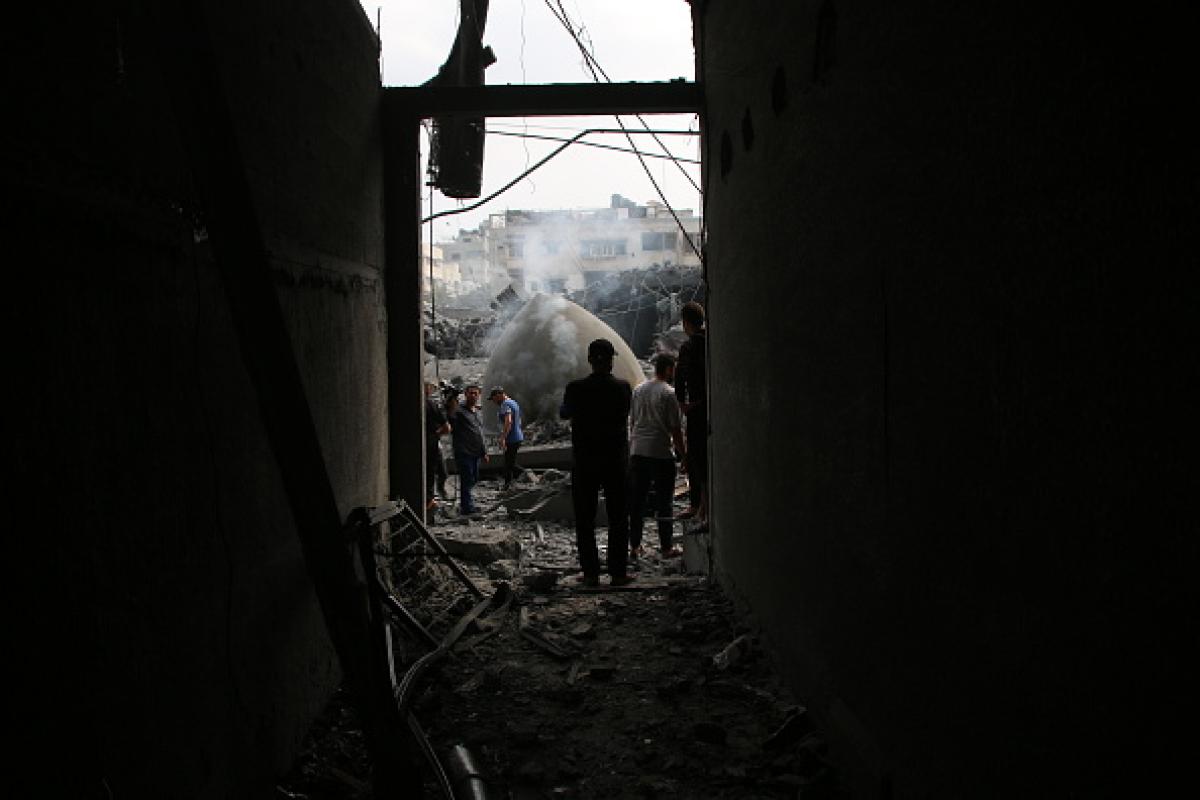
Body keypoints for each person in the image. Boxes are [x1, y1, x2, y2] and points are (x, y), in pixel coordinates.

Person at [560, 338, 634, 587]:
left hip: (585, 461)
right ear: (611, 361)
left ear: (590, 359)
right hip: (615, 461)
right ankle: (618, 572)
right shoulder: (622, 388)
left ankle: (591, 573)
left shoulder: (575, 388)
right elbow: (625, 413)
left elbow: (564, 413)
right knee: (618, 517)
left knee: (585, 518)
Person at [628, 353, 687, 558]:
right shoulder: (669, 394)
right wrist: (684, 456)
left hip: (638, 451)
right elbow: (676, 430)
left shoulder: (638, 390)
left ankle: (635, 546)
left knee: (637, 501)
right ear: (669, 369)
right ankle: (666, 547)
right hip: (660, 453)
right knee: (664, 502)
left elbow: (633, 423)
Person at [675, 301, 708, 529]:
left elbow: (681, 378)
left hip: (697, 410)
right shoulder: (711, 342)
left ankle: (701, 509)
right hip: (711, 406)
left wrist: (683, 404)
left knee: (697, 459)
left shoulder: (689, 346)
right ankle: (701, 507)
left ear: (686, 323)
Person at [446, 384, 488, 516]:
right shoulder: (459, 411)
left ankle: (468, 504)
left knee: (473, 478)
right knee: (467, 479)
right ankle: (467, 508)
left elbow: (480, 433)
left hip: (476, 453)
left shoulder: (476, 412)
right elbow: (450, 416)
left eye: (476, 393)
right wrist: (451, 399)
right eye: (471, 393)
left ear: (479, 395)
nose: (473, 396)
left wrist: (484, 452)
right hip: (464, 452)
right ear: (466, 394)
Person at [488, 386, 524, 491]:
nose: (494, 402)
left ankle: (524, 476)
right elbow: (519, 420)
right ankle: (509, 484)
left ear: (498, 395)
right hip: (517, 436)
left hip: (512, 438)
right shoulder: (513, 402)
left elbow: (508, 421)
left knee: (509, 464)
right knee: (509, 463)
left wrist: (503, 437)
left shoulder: (505, 405)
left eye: (493, 399)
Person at [424, 383, 451, 514]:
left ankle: (430, 500)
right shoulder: (431, 404)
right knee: (432, 473)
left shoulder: (428, 404)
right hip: (431, 445)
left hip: (428, 444)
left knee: (435, 473)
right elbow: (447, 428)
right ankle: (429, 503)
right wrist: (435, 435)